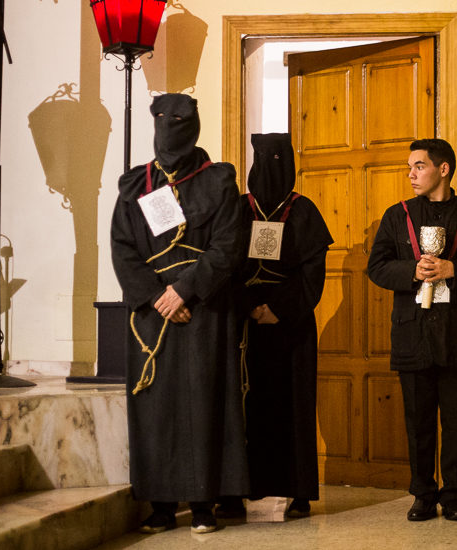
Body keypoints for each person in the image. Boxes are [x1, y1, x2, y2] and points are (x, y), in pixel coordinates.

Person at [109, 93, 248, 534]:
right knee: (156, 409)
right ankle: (163, 504)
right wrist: (156, 296)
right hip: (154, 315)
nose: (169, 129)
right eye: (162, 121)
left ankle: (205, 503)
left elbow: (229, 246)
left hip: (204, 308)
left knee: (205, 404)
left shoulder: (219, 180)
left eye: (178, 122)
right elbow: (123, 248)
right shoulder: (137, 185)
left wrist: (185, 291)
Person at [366, 138, 457, 522]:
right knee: (418, 419)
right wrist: (413, 270)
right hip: (412, 333)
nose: (411, 174)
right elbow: (377, 267)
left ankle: (453, 494)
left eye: (419, 166)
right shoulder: (397, 215)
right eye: (410, 167)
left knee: (456, 421)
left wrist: (453, 269)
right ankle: (422, 493)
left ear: (443, 169)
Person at [214, 133, 334, 520]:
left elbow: (312, 275)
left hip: (290, 325)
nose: (271, 168)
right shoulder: (238, 208)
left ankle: (298, 491)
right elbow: (224, 265)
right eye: (264, 159)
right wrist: (249, 307)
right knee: (239, 407)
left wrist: (277, 308)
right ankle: (234, 491)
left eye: (279, 159)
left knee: (293, 407)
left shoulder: (304, 211)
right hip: (244, 324)